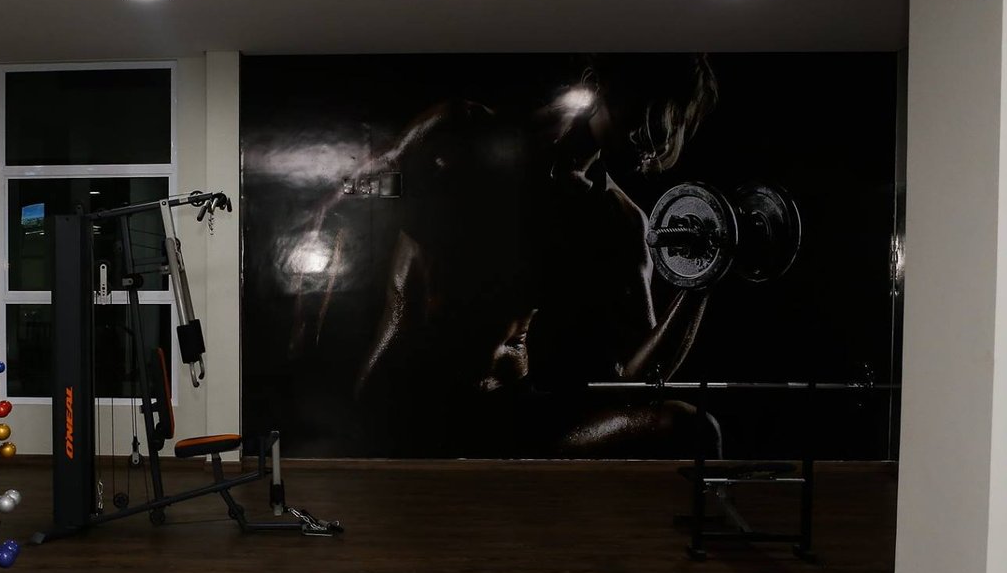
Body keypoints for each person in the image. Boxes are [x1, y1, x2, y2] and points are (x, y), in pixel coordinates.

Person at [296, 54, 723, 458]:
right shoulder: (461, 134)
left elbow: (635, 376)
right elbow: (342, 203)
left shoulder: (618, 220)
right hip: (406, 404)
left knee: (690, 427)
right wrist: (305, 359)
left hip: (503, 415)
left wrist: (702, 278)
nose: (660, 135)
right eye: (650, 107)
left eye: (677, 119)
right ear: (597, 85)